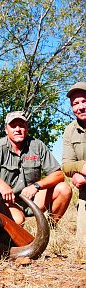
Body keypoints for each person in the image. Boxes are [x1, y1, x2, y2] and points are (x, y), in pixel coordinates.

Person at [0, 111, 72, 225]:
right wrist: (1, 184)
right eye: (13, 126)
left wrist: (36, 186)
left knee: (64, 189)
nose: (17, 129)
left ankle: (51, 228)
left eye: (21, 125)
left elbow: (59, 175)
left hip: (32, 199)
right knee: (18, 220)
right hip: (7, 202)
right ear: (6, 130)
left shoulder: (37, 145)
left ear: (27, 128)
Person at [62, 81, 86, 245]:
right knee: (82, 245)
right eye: (75, 103)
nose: (80, 107)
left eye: (84, 101)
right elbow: (66, 165)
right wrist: (80, 168)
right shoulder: (70, 130)